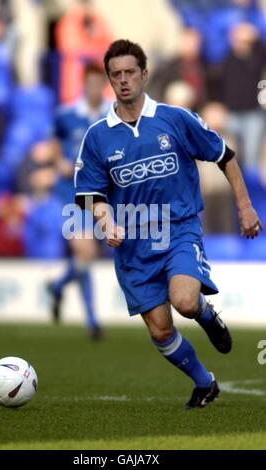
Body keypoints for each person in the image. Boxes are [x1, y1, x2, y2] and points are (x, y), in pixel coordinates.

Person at [74, 39, 263, 408]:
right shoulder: (97, 136)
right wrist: (105, 219)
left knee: (185, 302)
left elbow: (224, 156)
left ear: (145, 75)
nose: (124, 80)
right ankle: (205, 383)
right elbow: (88, 193)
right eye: (116, 75)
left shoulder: (174, 119)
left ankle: (207, 315)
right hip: (132, 243)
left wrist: (245, 207)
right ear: (110, 80)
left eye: (130, 72)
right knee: (161, 329)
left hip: (179, 228)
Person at [47, 63, 110, 340]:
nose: (95, 88)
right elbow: (55, 142)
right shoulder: (67, 114)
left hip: (103, 194)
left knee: (87, 256)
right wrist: (58, 160)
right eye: (91, 83)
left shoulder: (113, 115)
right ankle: (92, 321)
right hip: (71, 193)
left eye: (99, 83)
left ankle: (59, 286)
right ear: (84, 85)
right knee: (85, 251)